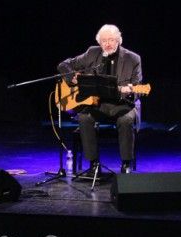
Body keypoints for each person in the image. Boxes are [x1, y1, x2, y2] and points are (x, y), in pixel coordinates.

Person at [58, 24, 142, 175]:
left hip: (122, 105)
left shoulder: (133, 58)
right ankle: (94, 164)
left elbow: (138, 88)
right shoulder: (92, 53)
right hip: (97, 104)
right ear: (99, 42)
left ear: (118, 40)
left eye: (111, 40)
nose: (108, 44)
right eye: (104, 41)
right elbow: (64, 65)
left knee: (126, 120)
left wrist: (129, 91)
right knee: (84, 117)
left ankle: (126, 164)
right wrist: (72, 78)